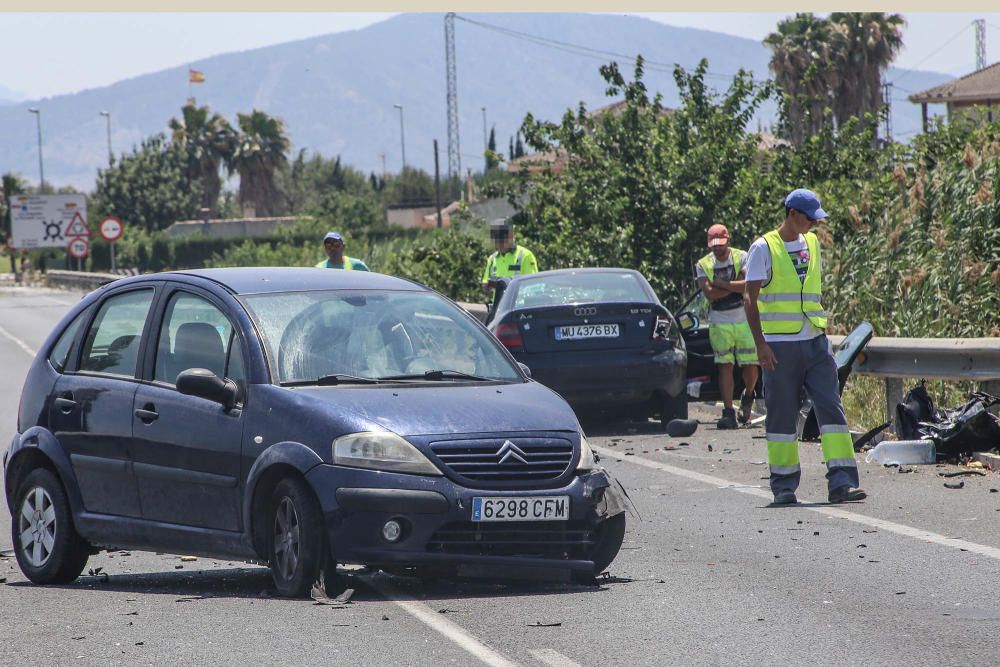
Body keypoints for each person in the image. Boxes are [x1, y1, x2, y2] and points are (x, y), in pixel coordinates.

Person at [743, 189, 866, 506]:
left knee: (831, 407)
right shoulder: (763, 247)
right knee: (782, 417)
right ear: (792, 213)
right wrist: (760, 345)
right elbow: (749, 299)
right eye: (810, 217)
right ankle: (783, 485)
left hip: (815, 343)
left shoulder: (811, 243)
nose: (814, 223)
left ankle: (842, 483)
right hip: (779, 348)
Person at [696, 224, 759, 429]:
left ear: (728, 241)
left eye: (721, 245)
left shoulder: (741, 256)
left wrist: (722, 284)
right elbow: (710, 294)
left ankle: (748, 395)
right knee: (725, 366)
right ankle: (729, 411)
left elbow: (747, 285)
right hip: (719, 322)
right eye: (714, 246)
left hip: (744, 319)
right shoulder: (703, 264)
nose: (717, 249)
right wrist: (734, 287)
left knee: (750, 364)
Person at [481, 218, 538, 295]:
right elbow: (485, 285)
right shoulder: (492, 259)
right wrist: (487, 287)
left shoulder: (525, 256)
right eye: (496, 241)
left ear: (511, 236)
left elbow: (533, 285)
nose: (499, 244)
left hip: (518, 305)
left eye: (502, 240)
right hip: (499, 305)